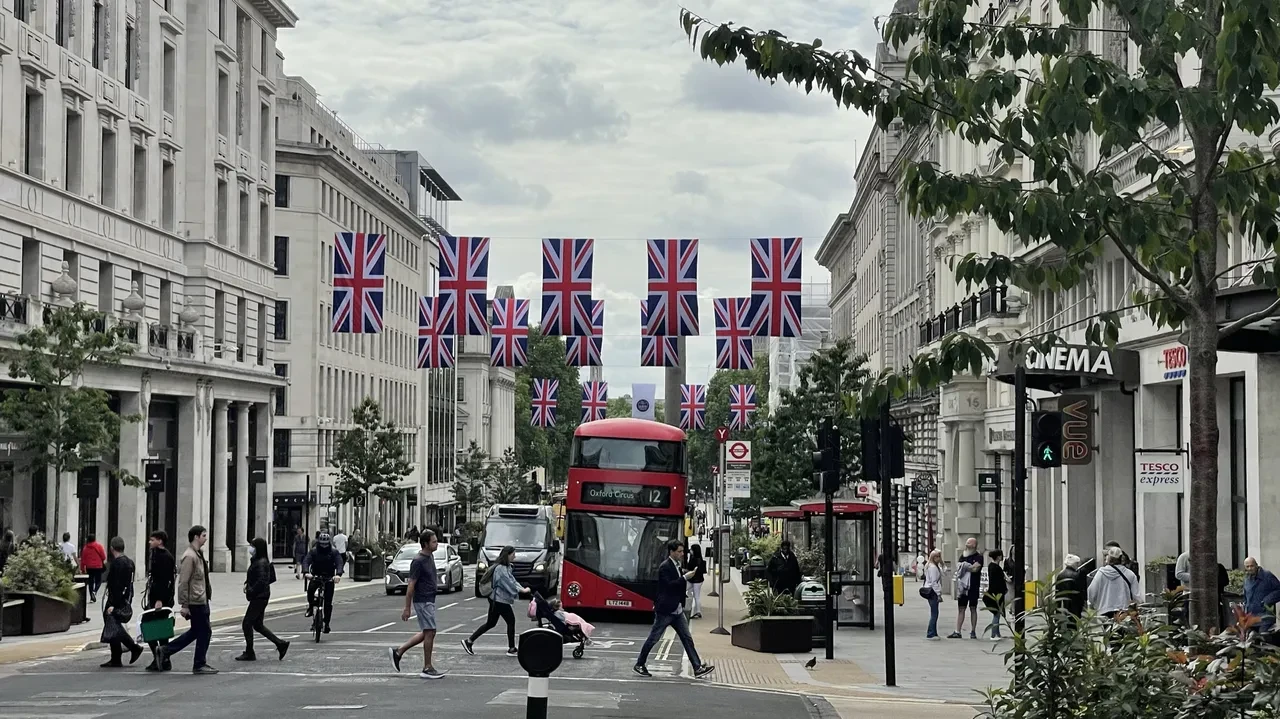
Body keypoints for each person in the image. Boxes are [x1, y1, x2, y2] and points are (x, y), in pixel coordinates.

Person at [633, 539, 715, 679]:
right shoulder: (665, 567)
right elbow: (669, 586)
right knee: (654, 638)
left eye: (683, 551)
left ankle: (697, 667)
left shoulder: (677, 565)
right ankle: (640, 664)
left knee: (687, 638)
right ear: (671, 552)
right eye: (679, 551)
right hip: (665, 610)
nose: (682, 554)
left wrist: (685, 576)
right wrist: (685, 577)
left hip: (677, 610)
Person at [388, 529, 443, 679]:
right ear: (425, 544)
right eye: (434, 541)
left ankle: (398, 652)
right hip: (423, 600)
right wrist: (407, 607)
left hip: (429, 599)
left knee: (428, 632)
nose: (437, 543)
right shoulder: (418, 561)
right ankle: (427, 667)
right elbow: (411, 585)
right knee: (430, 631)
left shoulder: (429, 556)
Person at [160, 525, 216, 674]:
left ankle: (166, 650)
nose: (206, 538)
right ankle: (199, 663)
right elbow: (183, 582)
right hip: (195, 600)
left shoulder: (198, 554)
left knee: (197, 631)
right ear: (196, 537)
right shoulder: (189, 556)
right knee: (204, 631)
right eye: (204, 535)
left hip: (201, 598)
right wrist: (184, 604)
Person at [463, 545, 530, 656]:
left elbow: (512, 581)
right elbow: (508, 584)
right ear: (507, 555)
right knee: (510, 621)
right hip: (499, 599)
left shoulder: (505, 567)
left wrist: (522, 589)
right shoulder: (501, 569)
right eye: (513, 554)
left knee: (491, 623)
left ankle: (469, 641)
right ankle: (511, 648)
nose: (515, 556)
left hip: (497, 599)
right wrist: (521, 591)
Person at [237, 537, 289, 661]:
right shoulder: (260, 560)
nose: (251, 548)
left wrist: (251, 589)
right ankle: (280, 644)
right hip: (261, 596)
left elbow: (262, 581)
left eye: (253, 546)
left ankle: (250, 652)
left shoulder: (261, 562)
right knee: (258, 625)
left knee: (247, 623)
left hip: (259, 597)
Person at [99, 536, 145, 668]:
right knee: (113, 625)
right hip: (124, 598)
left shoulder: (117, 564)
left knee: (113, 624)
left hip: (116, 599)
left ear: (112, 548)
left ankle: (132, 647)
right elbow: (129, 584)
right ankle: (116, 657)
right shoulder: (130, 562)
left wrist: (113, 604)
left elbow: (116, 585)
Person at [143, 530, 176, 672]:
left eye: (152, 540)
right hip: (155, 596)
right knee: (157, 628)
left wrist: (160, 600)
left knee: (151, 625)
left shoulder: (165, 557)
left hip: (161, 599)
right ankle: (162, 658)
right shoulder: (156, 554)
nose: (150, 542)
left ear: (160, 541)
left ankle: (162, 658)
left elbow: (165, 580)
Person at [302, 532, 345, 633]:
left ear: (329, 543)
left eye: (326, 544)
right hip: (316, 575)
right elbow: (306, 561)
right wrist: (306, 572)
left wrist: (338, 574)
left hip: (329, 577)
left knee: (328, 602)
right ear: (319, 543)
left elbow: (339, 562)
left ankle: (327, 623)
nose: (324, 546)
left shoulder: (334, 552)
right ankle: (311, 606)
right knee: (310, 591)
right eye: (322, 544)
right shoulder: (314, 551)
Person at [1088, 546, 1138, 618]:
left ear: (1108, 558)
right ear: (1121, 558)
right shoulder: (1129, 574)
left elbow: (1092, 591)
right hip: (1123, 611)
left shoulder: (1101, 573)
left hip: (1105, 610)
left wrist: (1092, 604)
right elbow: (1136, 595)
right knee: (1122, 629)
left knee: (1108, 628)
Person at [949, 538, 983, 639]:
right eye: (966, 542)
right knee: (961, 609)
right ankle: (957, 631)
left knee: (973, 608)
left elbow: (976, 569)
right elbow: (959, 567)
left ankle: (973, 631)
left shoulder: (979, 557)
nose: (966, 544)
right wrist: (969, 567)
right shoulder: (963, 556)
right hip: (963, 587)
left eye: (969, 543)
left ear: (974, 545)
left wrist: (965, 567)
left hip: (973, 586)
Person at [1243, 557, 1280, 633]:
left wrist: (1267, 600)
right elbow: (1246, 597)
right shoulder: (1246, 579)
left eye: (1252, 566)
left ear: (1256, 565)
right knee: (1250, 641)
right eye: (1247, 566)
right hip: (1251, 618)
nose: (1250, 568)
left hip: (1265, 618)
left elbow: (1279, 590)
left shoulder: (1267, 576)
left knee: (1263, 640)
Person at [1055, 554, 1088, 624]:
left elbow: (1057, 593)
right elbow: (1080, 591)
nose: (1078, 565)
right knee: (1073, 625)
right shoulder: (1076, 575)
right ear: (1074, 563)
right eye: (1077, 563)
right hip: (1074, 605)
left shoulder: (1060, 575)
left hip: (1062, 604)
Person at [983, 549, 1008, 641]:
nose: (1002, 557)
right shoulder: (996, 568)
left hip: (995, 592)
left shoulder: (992, 566)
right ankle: (993, 634)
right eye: (1001, 555)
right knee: (996, 614)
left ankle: (997, 633)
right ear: (998, 557)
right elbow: (997, 582)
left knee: (997, 614)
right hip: (996, 593)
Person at [921, 550, 944, 639]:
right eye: (937, 557)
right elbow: (934, 582)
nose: (939, 558)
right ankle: (931, 632)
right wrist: (938, 594)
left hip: (931, 590)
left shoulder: (932, 566)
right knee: (934, 613)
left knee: (934, 612)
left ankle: (934, 632)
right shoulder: (933, 567)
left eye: (939, 557)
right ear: (933, 557)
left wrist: (942, 564)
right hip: (932, 591)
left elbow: (944, 572)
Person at [80, 533, 107, 602]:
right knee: (98, 581)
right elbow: (103, 557)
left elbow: (83, 559)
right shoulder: (99, 546)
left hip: (89, 567)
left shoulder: (85, 548)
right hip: (98, 566)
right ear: (94, 539)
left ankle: (92, 598)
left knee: (91, 582)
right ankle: (94, 592)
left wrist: (83, 569)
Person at [685, 544, 707, 619]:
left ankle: (698, 611)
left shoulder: (693, 559)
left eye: (691, 549)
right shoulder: (700, 559)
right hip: (698, 580)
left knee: (696, 595)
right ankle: (697, 611)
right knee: (695, 595)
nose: (690, 551)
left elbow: (689, 569)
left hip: (694, 580)